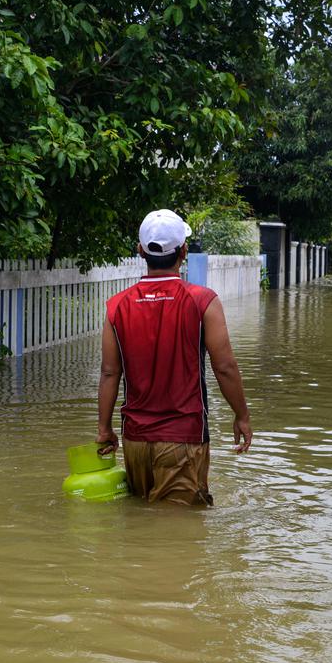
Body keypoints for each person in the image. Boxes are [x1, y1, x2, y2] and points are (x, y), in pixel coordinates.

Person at [96, 209, 253, 505]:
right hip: (183, 438)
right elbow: (225, 367)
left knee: (141, 529)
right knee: (179, 538)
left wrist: (105, 429)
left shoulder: (116, 307)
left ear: (140, 251)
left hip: (135, 441)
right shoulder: (202, 301)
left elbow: (109, 373)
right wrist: (241, 415)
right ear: (183, 251)